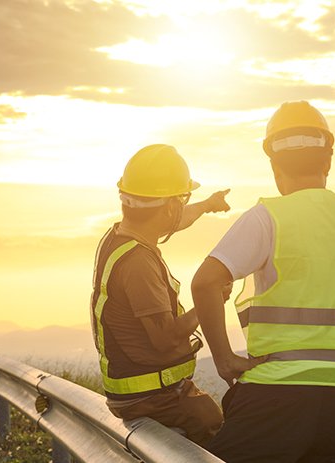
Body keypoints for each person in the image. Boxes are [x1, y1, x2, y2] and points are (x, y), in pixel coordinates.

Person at [191, 100, 335, 463]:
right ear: (328, 161)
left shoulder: (265, 218)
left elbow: (206, 282)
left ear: (274, 166)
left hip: (274, 393)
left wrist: (224, 360)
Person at [90, 144, 230, 448]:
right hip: (153, 398)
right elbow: (165, 339)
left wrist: (207, 204)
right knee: (223, 435)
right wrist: (211, 301)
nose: (182, 207)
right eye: (180, 200)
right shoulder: (138, 263)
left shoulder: (118, 237)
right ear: (167, 207)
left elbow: (175, 219)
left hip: (133, 394)